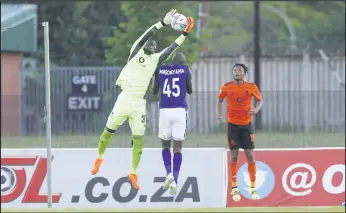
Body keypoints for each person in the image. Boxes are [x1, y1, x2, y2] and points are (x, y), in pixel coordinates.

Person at [91, 9, 195, 191]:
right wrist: (162, 23)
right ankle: (99, 157)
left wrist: (184, 34)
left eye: (155, 46)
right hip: (125, 98)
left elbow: (172, 49)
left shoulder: (156, 59)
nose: (152, 46)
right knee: (108, 131)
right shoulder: (135, 52)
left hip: (139, 103)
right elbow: (147, 34)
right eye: (150, 44)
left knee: (139, 139)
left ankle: (133, 173)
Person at [216, 63, 263, 201]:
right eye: (235, 70)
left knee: (250, 155)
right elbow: (219, 100)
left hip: (246, 125)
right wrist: (219, 115)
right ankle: (234, 188)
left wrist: (256, 109)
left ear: (244, 73)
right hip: (232, 126)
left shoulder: (251, 87)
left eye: (239, 70)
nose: (236, 72)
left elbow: (260, 101)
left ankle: (253, 188)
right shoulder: (226, 86)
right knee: (234, 157)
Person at [152, 52, 192, 195]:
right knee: (178, 147)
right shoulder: (185, 69)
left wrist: (156, 76)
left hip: (165, 110)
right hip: (180, 110)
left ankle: (168, 173)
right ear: (182, 62)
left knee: (165, 145)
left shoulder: (161, 69)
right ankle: (174, 179)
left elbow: (154, 90)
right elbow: (190, 90)